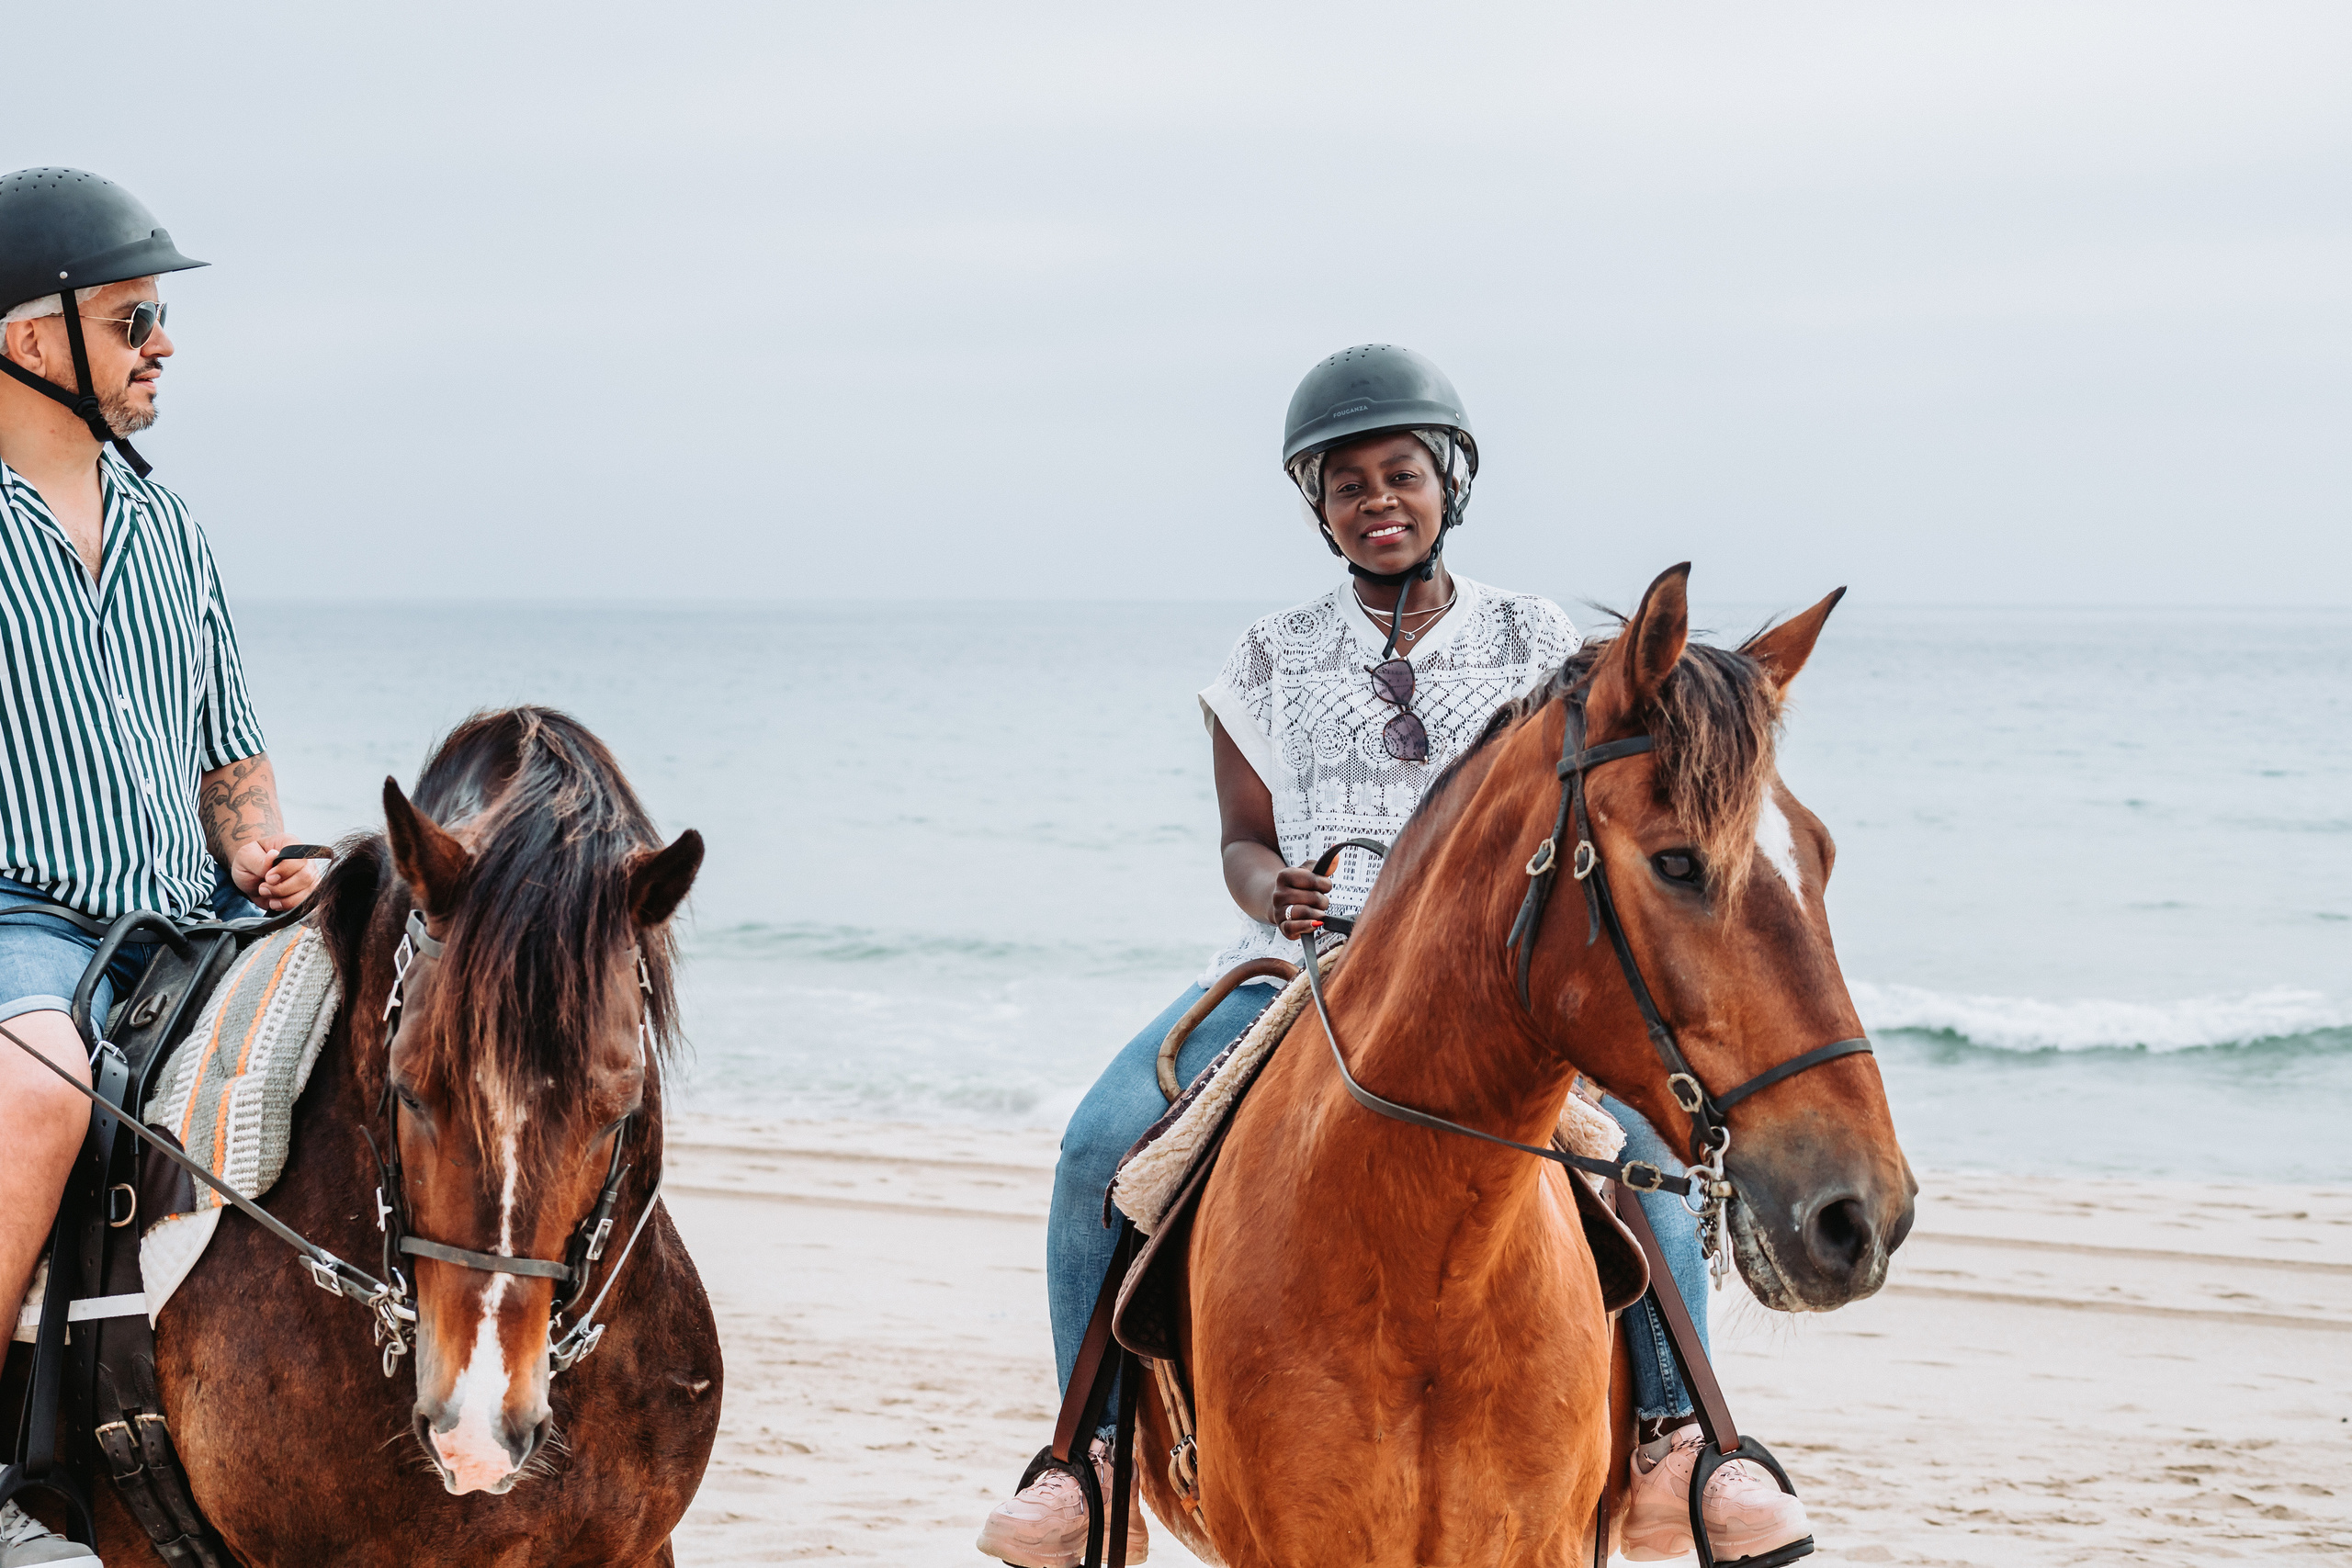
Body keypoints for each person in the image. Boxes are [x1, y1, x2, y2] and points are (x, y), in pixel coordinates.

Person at [976, 344, 1809, 1567]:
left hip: (1496, 984)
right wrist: (1282, 888)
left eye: (1402, 476)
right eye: (1349, 484)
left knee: (1634, 1146)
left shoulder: (1533, 640)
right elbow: (1242, 842)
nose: (1379, 502)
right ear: (1318, 507)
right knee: (1101, 1144)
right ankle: (1086, 1461)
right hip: (1300, 968)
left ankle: (1683, 1441)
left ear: (1448, 484)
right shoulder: (1264, 659)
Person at [0, 168, 320, 1568]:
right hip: (21, 921)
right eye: (135, 317)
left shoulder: (173, 532)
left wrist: (270, 856)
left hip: (183, 921)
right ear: (31, 340)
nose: (163, 345)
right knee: (33, 1099)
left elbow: (230, 761)